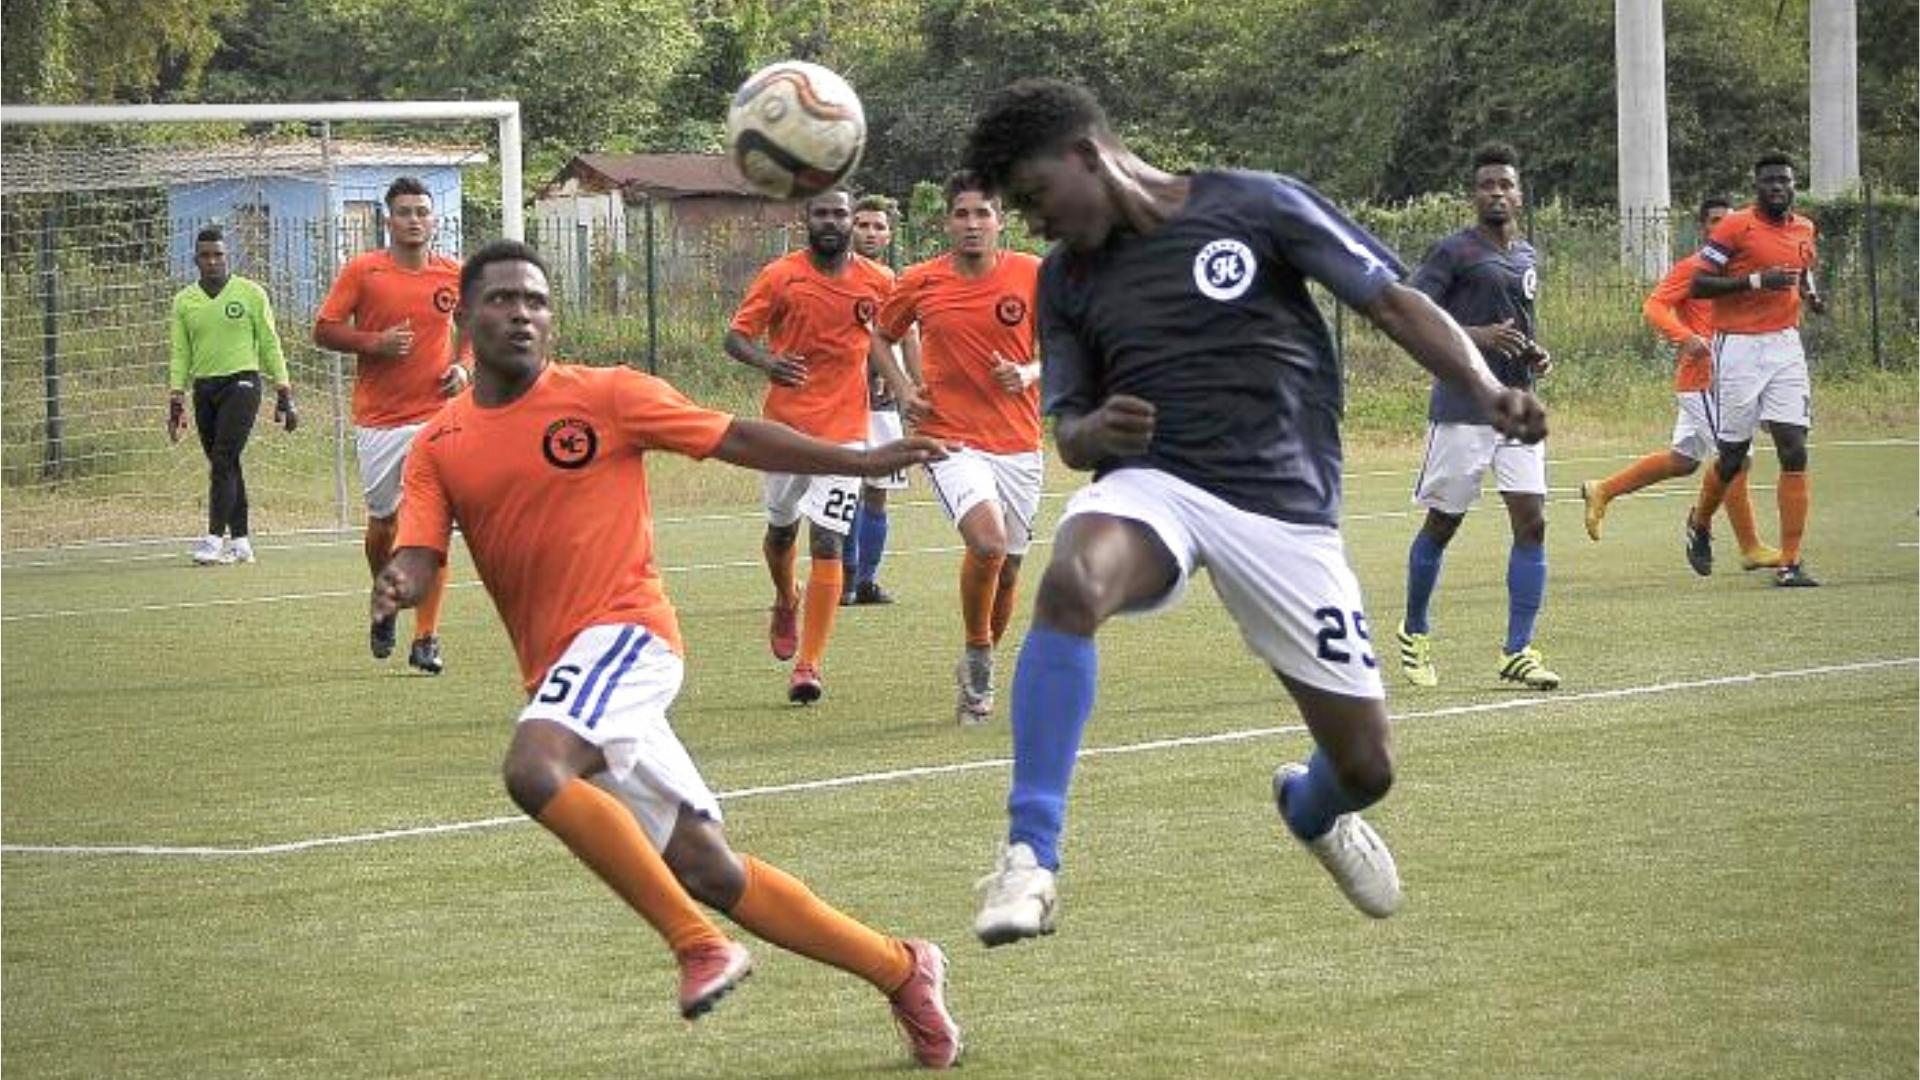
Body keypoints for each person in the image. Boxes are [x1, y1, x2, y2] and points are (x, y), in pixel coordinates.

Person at [958, 80, 1546, 946]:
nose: (1034, 222)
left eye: (1035, 196)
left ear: (1086, 156)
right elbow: (1072, 440)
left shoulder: (1255, 203)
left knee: (1365, 766)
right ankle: (1030, 856)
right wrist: (1095, 429)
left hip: (1284, 512)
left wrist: (1485, 387)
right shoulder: (1067, 280)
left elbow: (1390, 301)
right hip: (1154, 488)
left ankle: (1312, 810)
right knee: (1074, 579)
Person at [370, 240, 959, 1067]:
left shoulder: (607, 395)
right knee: (708, 866)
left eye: (537, 301)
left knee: (533, 769)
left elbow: (735, 438)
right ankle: (902, 968)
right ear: (463, 319)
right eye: (502, 300)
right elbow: (423, 550)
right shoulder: (440, 442)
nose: (522, 314)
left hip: (628, 637)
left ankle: (696, 946)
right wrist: (397, 577)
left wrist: (859, 460)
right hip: (567, 679)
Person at [871, 170, 1044, 724]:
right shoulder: (921, 281)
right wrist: (903, 393)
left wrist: (1029, 370)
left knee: (1010, 569)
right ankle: (979, 657)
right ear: (946, 221)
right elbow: (879, 336)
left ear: (1001, 221)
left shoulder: (1033, 275)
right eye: (962, 214)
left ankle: (977, 665)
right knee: (988, 545)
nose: (972, 224)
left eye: (983, 213)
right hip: (949, 438)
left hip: (1019, 442)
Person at [1395, 143, 1561, 693]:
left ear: (1519, 193)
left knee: (1532, 522)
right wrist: (1476, 337)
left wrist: (1534, 353)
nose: (1496, 192)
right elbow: (1410, 316)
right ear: (1475, 194)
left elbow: (1519, 326)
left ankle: (1518, 650)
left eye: (1505, 184)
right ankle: (1414, 631)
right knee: (1444, 523)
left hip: (1517, 407)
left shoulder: (1527, 256)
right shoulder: (1454, 252)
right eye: (1486, 184)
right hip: (1463, 409)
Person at [724, 190, 897, 703]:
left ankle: (809, 665)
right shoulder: (781, 276)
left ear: (850, 221)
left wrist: (892, 377)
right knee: (781, 532)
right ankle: (785, 597)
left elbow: (890, 335)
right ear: (807, 220)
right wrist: (767, 362)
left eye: (839, 213)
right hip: (785, 430)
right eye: (821, 212)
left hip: (845, 433)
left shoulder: (878, 281)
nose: (831, 221)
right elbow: (735, 337)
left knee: (829, 541)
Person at [314, 176, 470, 674]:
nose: (414, 219)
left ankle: (426, 637)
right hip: (380, 421)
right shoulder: (365, 271)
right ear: (388, 220)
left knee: (434, 528)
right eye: (404, 211)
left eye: (422, 211)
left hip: (438, 416)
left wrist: (464, 366)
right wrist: (374, 343)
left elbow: (470, 326)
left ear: (435, 219)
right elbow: (323, 329)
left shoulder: (453, 273)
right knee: (384, 523)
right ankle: (384, 601)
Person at [1579, 197, 1781, 570]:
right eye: (1716, 221)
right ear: (1706, 229)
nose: (1724, 226)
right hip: (1703, 380)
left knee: (1683, 460)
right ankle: (1749, 546)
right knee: (1735, 459)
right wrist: (1684, 335)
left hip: (1731, 380)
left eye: (1730, 220)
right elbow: (1654, 306)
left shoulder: (1742, 272)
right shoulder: (1694, 269)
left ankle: (1603, 490)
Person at [1682, 152, 1826, 586]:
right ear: (1757, 186)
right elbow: (1699, 284)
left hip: (1785, 344)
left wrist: (1811, 294)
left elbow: (1804, 270)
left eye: (1784, 180)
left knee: (1794, 448)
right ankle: (1700, 522)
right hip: (1739, 347)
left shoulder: (1804, 227)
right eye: (1769, 181)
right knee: (1731, 457)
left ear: (1793, 185)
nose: (1777, 187)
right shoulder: (1734, 227)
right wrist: (1755, 281)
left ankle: (1790, 563)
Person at [167, 225, 297, 565]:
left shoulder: (251, 294)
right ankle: (241, 542)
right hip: (204, 387)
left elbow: (269, 342)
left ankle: (213, 539)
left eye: (218, 255)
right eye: (206, 255)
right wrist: (176, 397)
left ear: (228, 257)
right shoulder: (185, 301)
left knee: (223, 458)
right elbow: (180, 351)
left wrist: (284, 389)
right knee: (225, 462)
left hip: (242, 383)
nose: (212, 262)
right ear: (196, 259)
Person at [840, 194, 920, 606]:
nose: (871, 232)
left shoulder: (892, 280)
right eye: (864, 224)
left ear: (890, 235)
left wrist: (910, 384)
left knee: (877, 489)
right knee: (845, 488)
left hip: (881, 400)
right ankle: (846, 580)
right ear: (850, 227)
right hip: (839, 400)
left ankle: (867, 580)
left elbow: (906, 333)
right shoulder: (833, 272)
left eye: (879, 226)